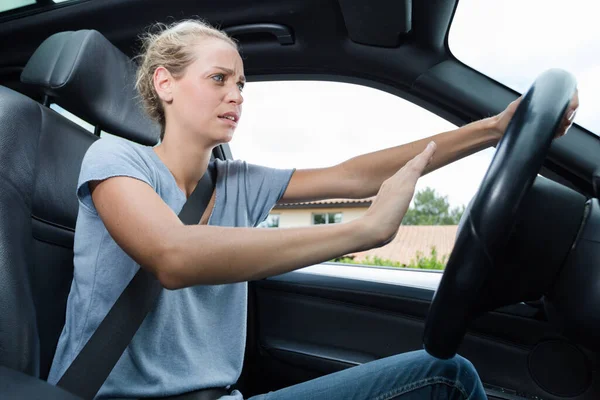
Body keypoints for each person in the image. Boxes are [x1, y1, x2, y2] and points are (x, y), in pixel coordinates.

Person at [47, 19, 579, 400]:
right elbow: (173, 255)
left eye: (241, 83)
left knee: (445, 374)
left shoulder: (237, 182)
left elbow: (352, 176)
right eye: (218, 79)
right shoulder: (115, 159)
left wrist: (493, 130)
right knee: (448, 382)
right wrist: (363, 231)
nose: (236, 94)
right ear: (165, 83)